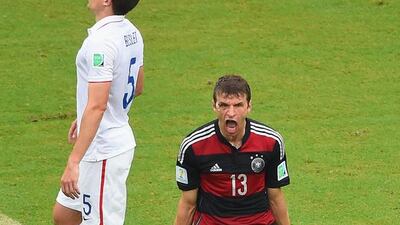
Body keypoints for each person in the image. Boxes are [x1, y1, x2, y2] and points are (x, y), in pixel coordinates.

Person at [52, 0, 144, 224]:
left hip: (102, 151)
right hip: (103, 139)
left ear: (106, 2)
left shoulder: (100, 43)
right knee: (64, 215)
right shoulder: (131, 32)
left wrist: (73, 161)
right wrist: (85, 114)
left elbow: (98, 105)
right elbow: (138, 86)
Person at [174, 75, 290, 225]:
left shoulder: (271, 142)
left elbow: (275, 197)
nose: (231, 113)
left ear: (249, 106)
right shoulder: (193, 146)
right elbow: (188, 204)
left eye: (238, 105)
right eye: (223, 105)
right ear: (214, 106)